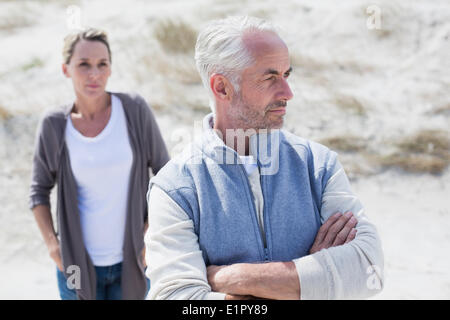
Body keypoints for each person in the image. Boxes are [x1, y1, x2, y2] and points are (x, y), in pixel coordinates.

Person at [144, 16, 384, 300]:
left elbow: (369, 271)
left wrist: (230, 278)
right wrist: (311, 282)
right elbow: (179, 299)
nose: (288, 93)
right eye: (270, 78)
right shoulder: (175, 188)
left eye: (286, 75)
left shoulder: (318, 166)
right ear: (222, 88)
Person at [29, 28, 170, 300]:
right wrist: (53, 246)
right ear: (65, 69)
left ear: (110, 69)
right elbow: (38, 192)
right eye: (84, 64)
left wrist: (151, 230)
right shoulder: (54, 125)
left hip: (135, 260)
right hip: (74, 266)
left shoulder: (134, 110)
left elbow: (167, 174)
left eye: (102, 64)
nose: (94, 73)